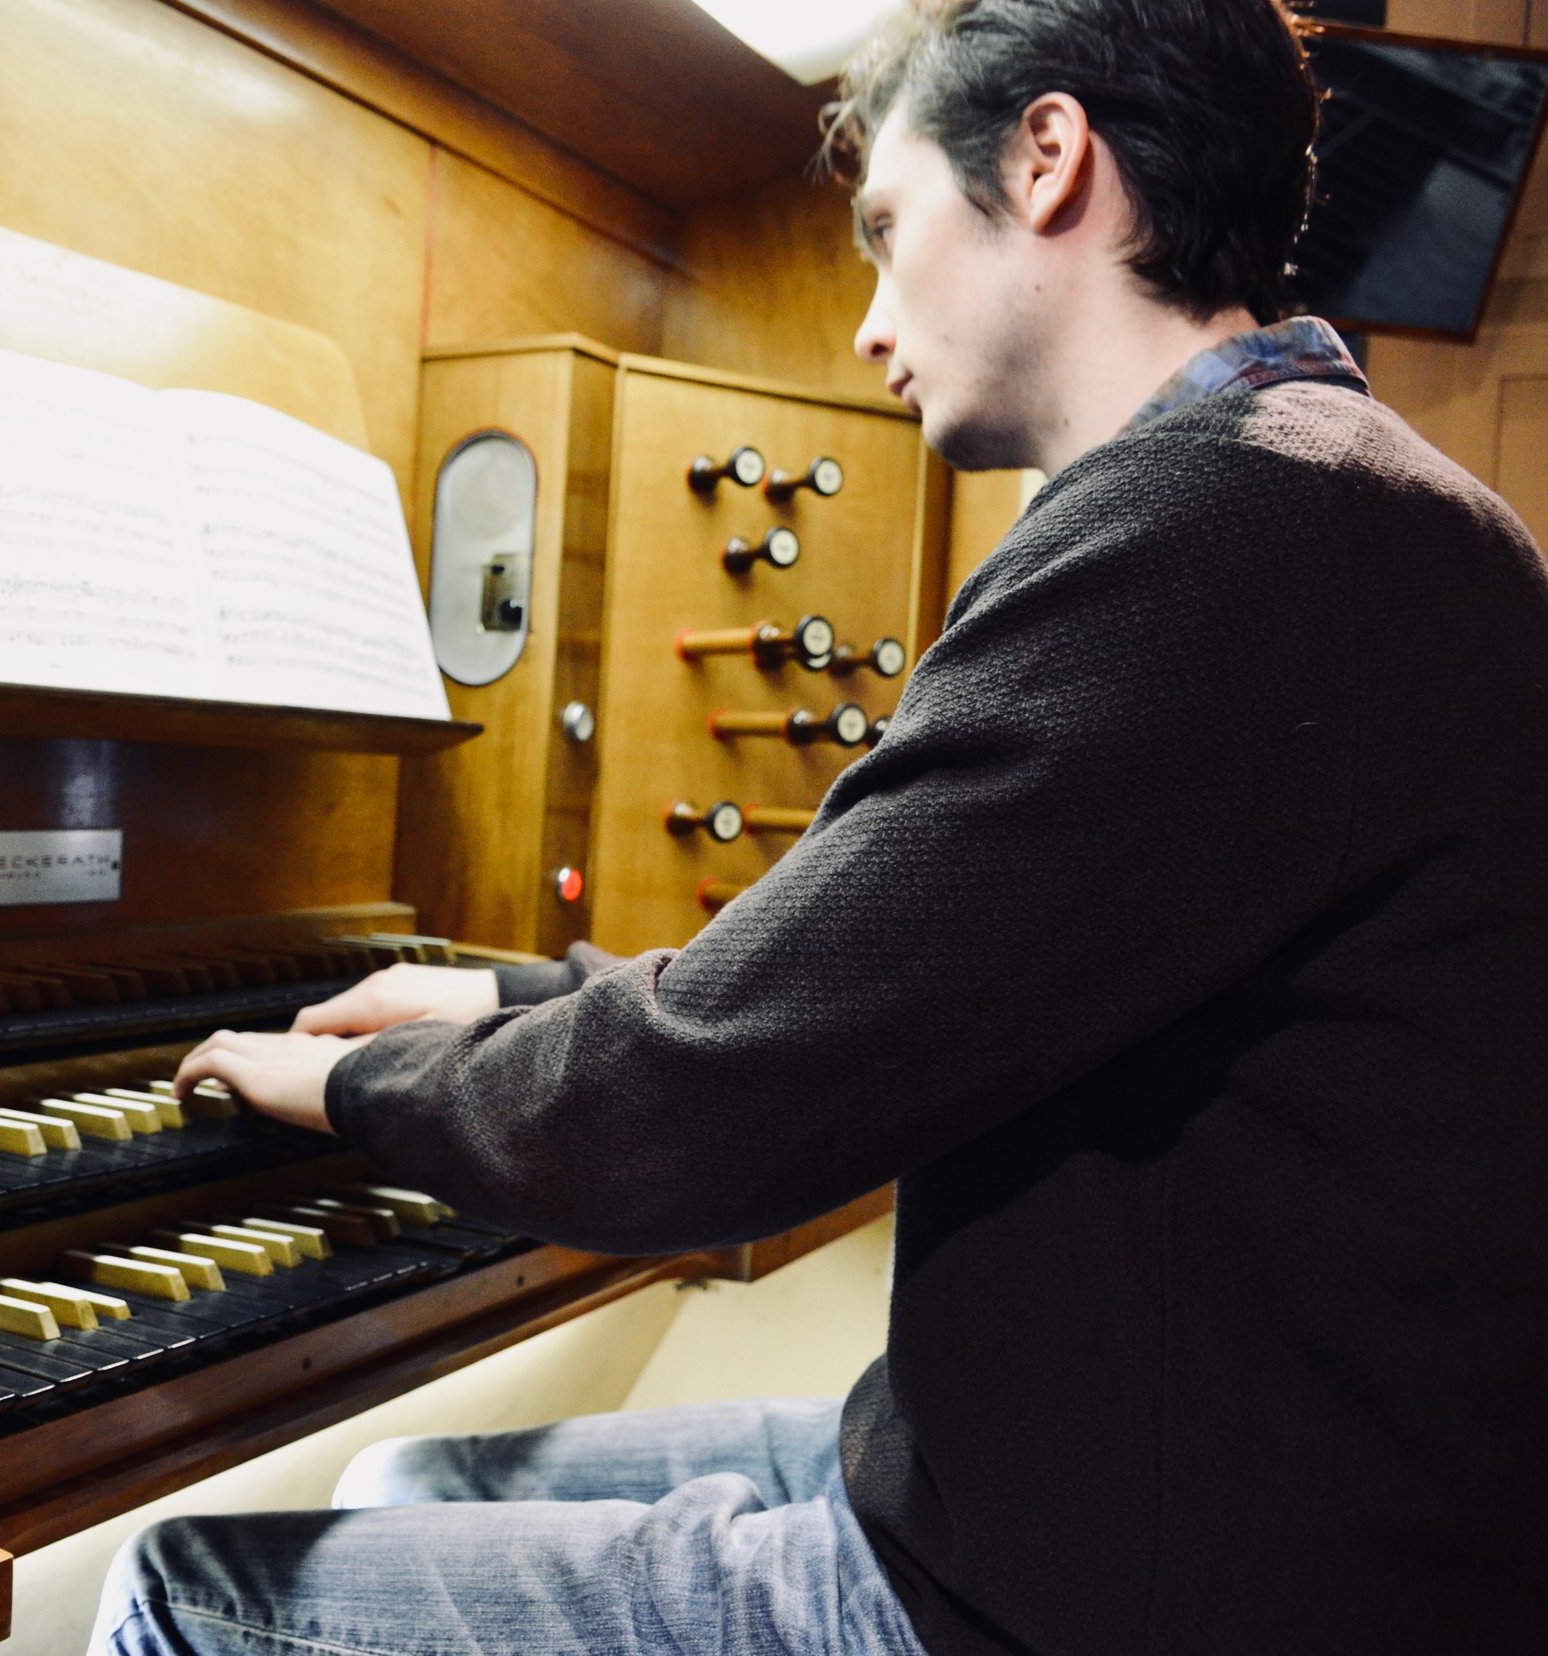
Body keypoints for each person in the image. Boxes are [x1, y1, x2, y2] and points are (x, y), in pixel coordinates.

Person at [92, 0, 1548, 1651]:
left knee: (190, 1598)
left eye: (884, 231)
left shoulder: (1217, 526)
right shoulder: (1370, 500)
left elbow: (705, 1107)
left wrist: (358, 1082)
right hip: (1162, 1480)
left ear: (1050, 160)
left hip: (1119, 1586)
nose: (867, 325)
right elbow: (886, 971)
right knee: (416, 1482)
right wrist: (508, 1002)